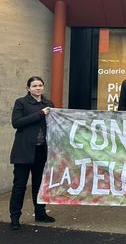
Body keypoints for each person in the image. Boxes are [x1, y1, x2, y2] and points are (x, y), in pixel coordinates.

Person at [9, 76, 56, 230]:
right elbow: (16, 123)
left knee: (39, 185)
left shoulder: (49, 104)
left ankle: (40, 213)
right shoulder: (21, 103)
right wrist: (40, 114)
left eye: (40, 85)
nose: (38, 88)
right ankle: (15, 218)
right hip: (23, 152)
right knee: (20, 186)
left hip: (41, 151)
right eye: (34, 86)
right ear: (28, 88)